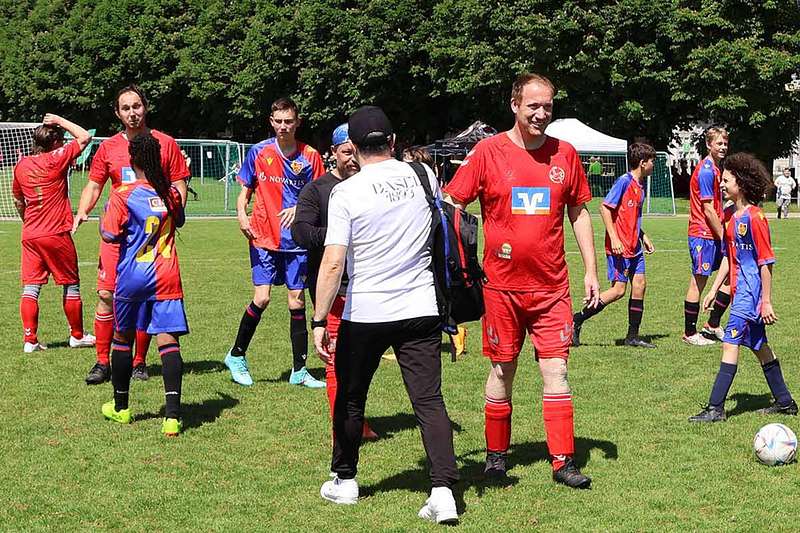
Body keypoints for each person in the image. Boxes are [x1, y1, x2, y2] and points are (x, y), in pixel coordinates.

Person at [444, 73, 599, 489]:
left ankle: (562, 461)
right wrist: (456, 262)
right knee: (501, 371)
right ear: (514, 104)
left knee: (557, 371)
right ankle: (495, 458)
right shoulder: (487, 152)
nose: (541, 113)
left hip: (552, 289)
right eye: (533, 105)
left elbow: (580, 212)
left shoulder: (564, 154)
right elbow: (452, 202)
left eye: (547, 106)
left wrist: (590, 269)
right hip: (501, 288)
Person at [313, 106, 459, 524]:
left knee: (351, 397)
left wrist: (320, 319)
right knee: (429, 401)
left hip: (367, 310)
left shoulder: (346, 192)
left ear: (354, 150)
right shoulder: (423, 176)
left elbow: (333, 262)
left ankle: (345, 481)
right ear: (393, 142)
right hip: (420, 307)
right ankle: (444, 491)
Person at [74, 84, 189, 385]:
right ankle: (102, 362)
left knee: (145, 299)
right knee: (105, 295)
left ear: (145, 107)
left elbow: (178, 183)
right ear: (117, 113)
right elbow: (96, 184)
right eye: (125, 108)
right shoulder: (109, 148)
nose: (132, 113)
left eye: (136, 106)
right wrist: (83, 210)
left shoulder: (165, 143)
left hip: (149, 240)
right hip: (117, 236)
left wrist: (175, 214)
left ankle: (139, 361)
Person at [223, 97, 325, 388]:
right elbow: (245, 190)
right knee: (263, 297)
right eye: (278, 122)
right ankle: (236, 355)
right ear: (272, 122)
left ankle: (299, 370)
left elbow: (318, 194)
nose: (283, 127)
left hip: (296, 239)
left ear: (297, 122)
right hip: (263, 236)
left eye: (288, 122)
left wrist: (301, 209)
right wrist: (241, 215)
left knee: (297, 300)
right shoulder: (258, 152)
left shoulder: (311, 156)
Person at [689, 152, 797, 422]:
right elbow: (729, 257)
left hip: (750, 296)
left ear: (741, 183)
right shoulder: (731, 218)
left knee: (729, 343)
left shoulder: (755, 218)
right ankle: (785, 402)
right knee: (760, 345)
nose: (722, 185)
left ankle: (715, 408)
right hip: (740, 292)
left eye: (726, 181)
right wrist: (714, 290)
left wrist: (767, 301)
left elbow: (766, 263)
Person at [291, 123, 378, 440]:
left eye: (356, 152)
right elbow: (300, 231)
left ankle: (356, 419)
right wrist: (339, 237)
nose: (353, 159)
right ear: (333, 153)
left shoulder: (372, 185)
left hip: (370, 286)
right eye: (346, 153)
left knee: (363, 359)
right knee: (335, 358)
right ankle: (342, 425)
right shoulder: (317, 190)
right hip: (332, 288)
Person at [99, 133, 188, 436]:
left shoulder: (123, 194)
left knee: (123, 338)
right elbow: (180, 220)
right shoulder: (169, 194)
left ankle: (121, 408)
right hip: (166, 274)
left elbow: (109, 235)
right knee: (168, 340)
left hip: (133, 275)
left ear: (132, 159)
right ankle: (172, 417)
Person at [12, 114, 95, 352]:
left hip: (30, 234)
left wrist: (27, 221)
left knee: (30, 287)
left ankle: (30, 340)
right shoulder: (56, 158)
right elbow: (84, 136)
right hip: (56, 233)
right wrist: (59, 119)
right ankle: (77, 336)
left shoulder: (21, 165)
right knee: (71, 284)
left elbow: (18, 200)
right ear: (55, 143)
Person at [572, 143, 657, 349]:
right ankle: (576, 319)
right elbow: (604, 208)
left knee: (640, 286)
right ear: (643, 163)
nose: (654, 164)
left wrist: (643, 236)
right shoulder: (624, 182)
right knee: (618, 291)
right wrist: (615, 238)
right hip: (620, 248)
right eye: (652, 161)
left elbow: (632, 217)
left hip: (634, 247)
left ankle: (632, 336)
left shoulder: (640, 185)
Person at [402, 146, 469, 358]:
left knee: (433, 292)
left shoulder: (421, 177)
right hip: (428, 240)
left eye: (406, 160)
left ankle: (455, 332)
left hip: (425, 241)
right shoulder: (428, 177)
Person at [682, 127, 730, 346]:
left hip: (714, 233)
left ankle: (712, 324)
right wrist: (724, 236)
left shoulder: (717, 169)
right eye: (719, 143)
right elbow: (708, 209)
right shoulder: (706, 171)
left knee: (731, 276)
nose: (723, 147)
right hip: (704, 234)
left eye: (725, 143)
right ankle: (690, 333)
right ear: (709, 145)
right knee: (698, 282)